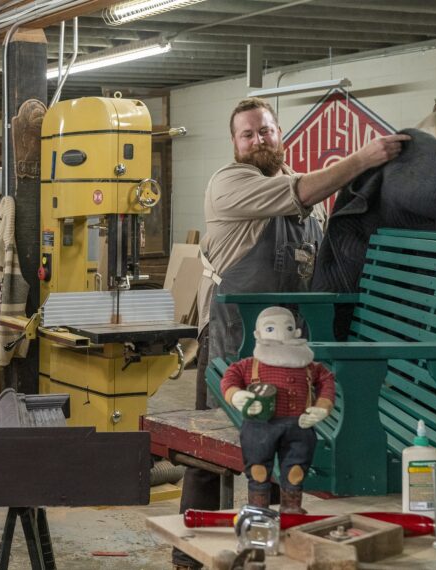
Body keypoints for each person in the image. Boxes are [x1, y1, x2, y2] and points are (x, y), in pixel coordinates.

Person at [174, 97, 410, 569]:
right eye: (248, 133)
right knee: (212, 452)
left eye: (266, 130)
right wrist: (362, 159)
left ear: (280, 134)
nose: (259, 139)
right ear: (235, 144)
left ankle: (276, 546)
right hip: (233, 342)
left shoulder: (305, 202)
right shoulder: (230, 183)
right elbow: (301, 190)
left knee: (285, 446)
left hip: (290, 349)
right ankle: (188, 552)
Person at [221, 306, 335, 514]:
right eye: (271, 329)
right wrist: (236, 395)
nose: (281, 334)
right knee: (258, 471)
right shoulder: (250, 365)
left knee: (295, 471)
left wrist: (322, 406)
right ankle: (258, 510)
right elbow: (230, 377)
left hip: (298, 426)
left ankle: (291, 508)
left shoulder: (308, 366)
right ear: (258, 334)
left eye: (288, 328)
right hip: (260, 426)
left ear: (296, 332)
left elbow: (326, 379)